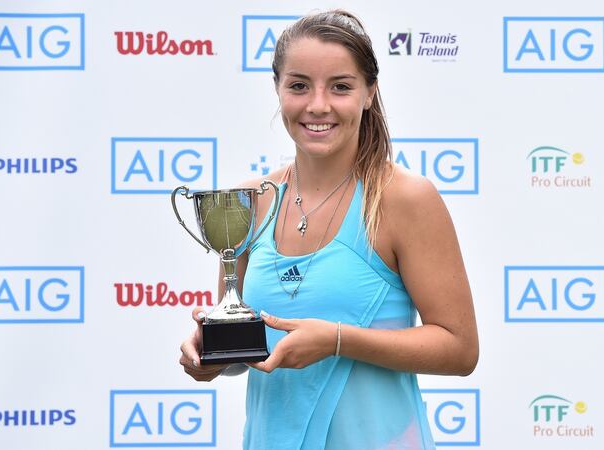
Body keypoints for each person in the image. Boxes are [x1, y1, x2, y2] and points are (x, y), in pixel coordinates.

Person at [179, 10, 478, 450]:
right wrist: (210, 356)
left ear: (369, 93)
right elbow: (244, 351)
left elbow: (460, 350)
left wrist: (337, 340)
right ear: (278, 89)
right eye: (298, 85)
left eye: (340, 86)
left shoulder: (404, 199)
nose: (318, 105)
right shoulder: (250, 200)